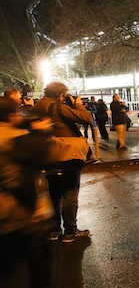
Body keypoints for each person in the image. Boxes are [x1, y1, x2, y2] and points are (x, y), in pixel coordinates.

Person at [0, 98, 68, 288]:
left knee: (9, 257)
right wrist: (41, 131)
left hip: (7, 212)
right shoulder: (17, 138)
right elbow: (51, 155)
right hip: (23, 210)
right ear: (12, 116)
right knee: (38, 253)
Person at [33, 82, 93, 243]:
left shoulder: (37, 106)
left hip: (48, 155)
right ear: (60, 95)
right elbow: (87, 119)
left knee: (54, 192)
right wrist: (79, 105)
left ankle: (53, 230)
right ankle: (70, 231)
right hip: (67, 155)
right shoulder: (57, 107)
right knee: (70, 191)